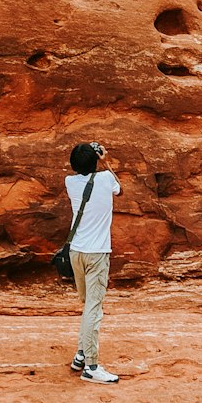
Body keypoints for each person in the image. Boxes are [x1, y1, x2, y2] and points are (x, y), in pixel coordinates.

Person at [65, 141, 120, 384]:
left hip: (76, 252)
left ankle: (80, 354)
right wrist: (104, 159)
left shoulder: (70, 183)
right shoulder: (107, 179)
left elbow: (87, 175)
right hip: (97, 254)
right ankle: (91, 366)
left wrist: (94, 160)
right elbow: (120, 189)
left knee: (88, 306)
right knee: (94, 310)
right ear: (95, 161)